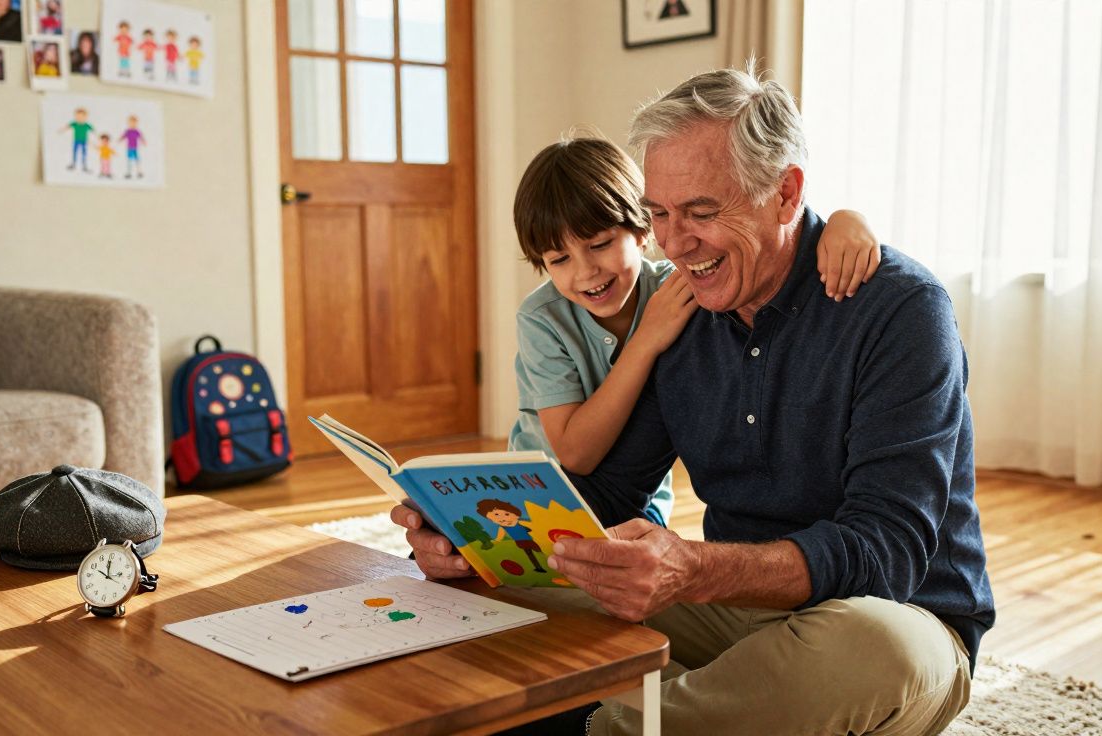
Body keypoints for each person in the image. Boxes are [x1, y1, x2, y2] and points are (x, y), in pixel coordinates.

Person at [396, 65, 994, 736]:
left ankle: (603, 722)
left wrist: (695, 569)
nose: (676, 245)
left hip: (892, 615)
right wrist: (470, 532)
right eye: (659, 216)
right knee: (498, 591)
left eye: (702, 213)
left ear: (784, 193)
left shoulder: (900, 309)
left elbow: (888, 551)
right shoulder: (683, 313)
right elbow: (613, 492)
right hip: (734, 608)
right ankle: (674, 706)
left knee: (870, 652)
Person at [507, 136, 880, 529]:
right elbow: (574, 455)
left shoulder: (684, 286)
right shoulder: (542, 317)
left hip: (640, 495)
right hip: (538, 491)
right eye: (559, 259)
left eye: (600, 244)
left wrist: (846, 220)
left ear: (644, 229)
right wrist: (647, 339)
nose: (585, 272)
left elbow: (787, 238)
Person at [62, 107, 92, 172]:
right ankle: (73, 164)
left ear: (85, 117)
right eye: (77, 117)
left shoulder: (86, 125)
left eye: (81, 117)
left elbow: (93, 131)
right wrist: (62, 130)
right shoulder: (74, 124)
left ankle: (84, 165)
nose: (79, 118)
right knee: (75, 152)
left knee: (84, 153)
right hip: (76, 140)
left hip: (84, 141)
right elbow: (67, 126)